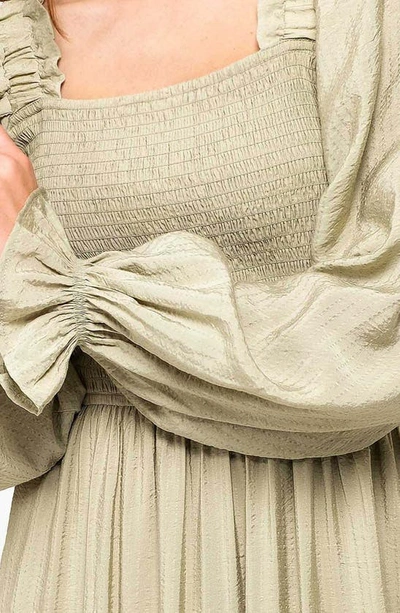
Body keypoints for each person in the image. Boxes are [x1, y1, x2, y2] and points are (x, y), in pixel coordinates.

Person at [0, 0, 399, 610]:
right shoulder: (15, 44)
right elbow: (19, 430)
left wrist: (81, 301)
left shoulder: (357, 15)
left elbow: (382, 329)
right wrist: (15, 285)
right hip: (94, 544)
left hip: (325, 525)